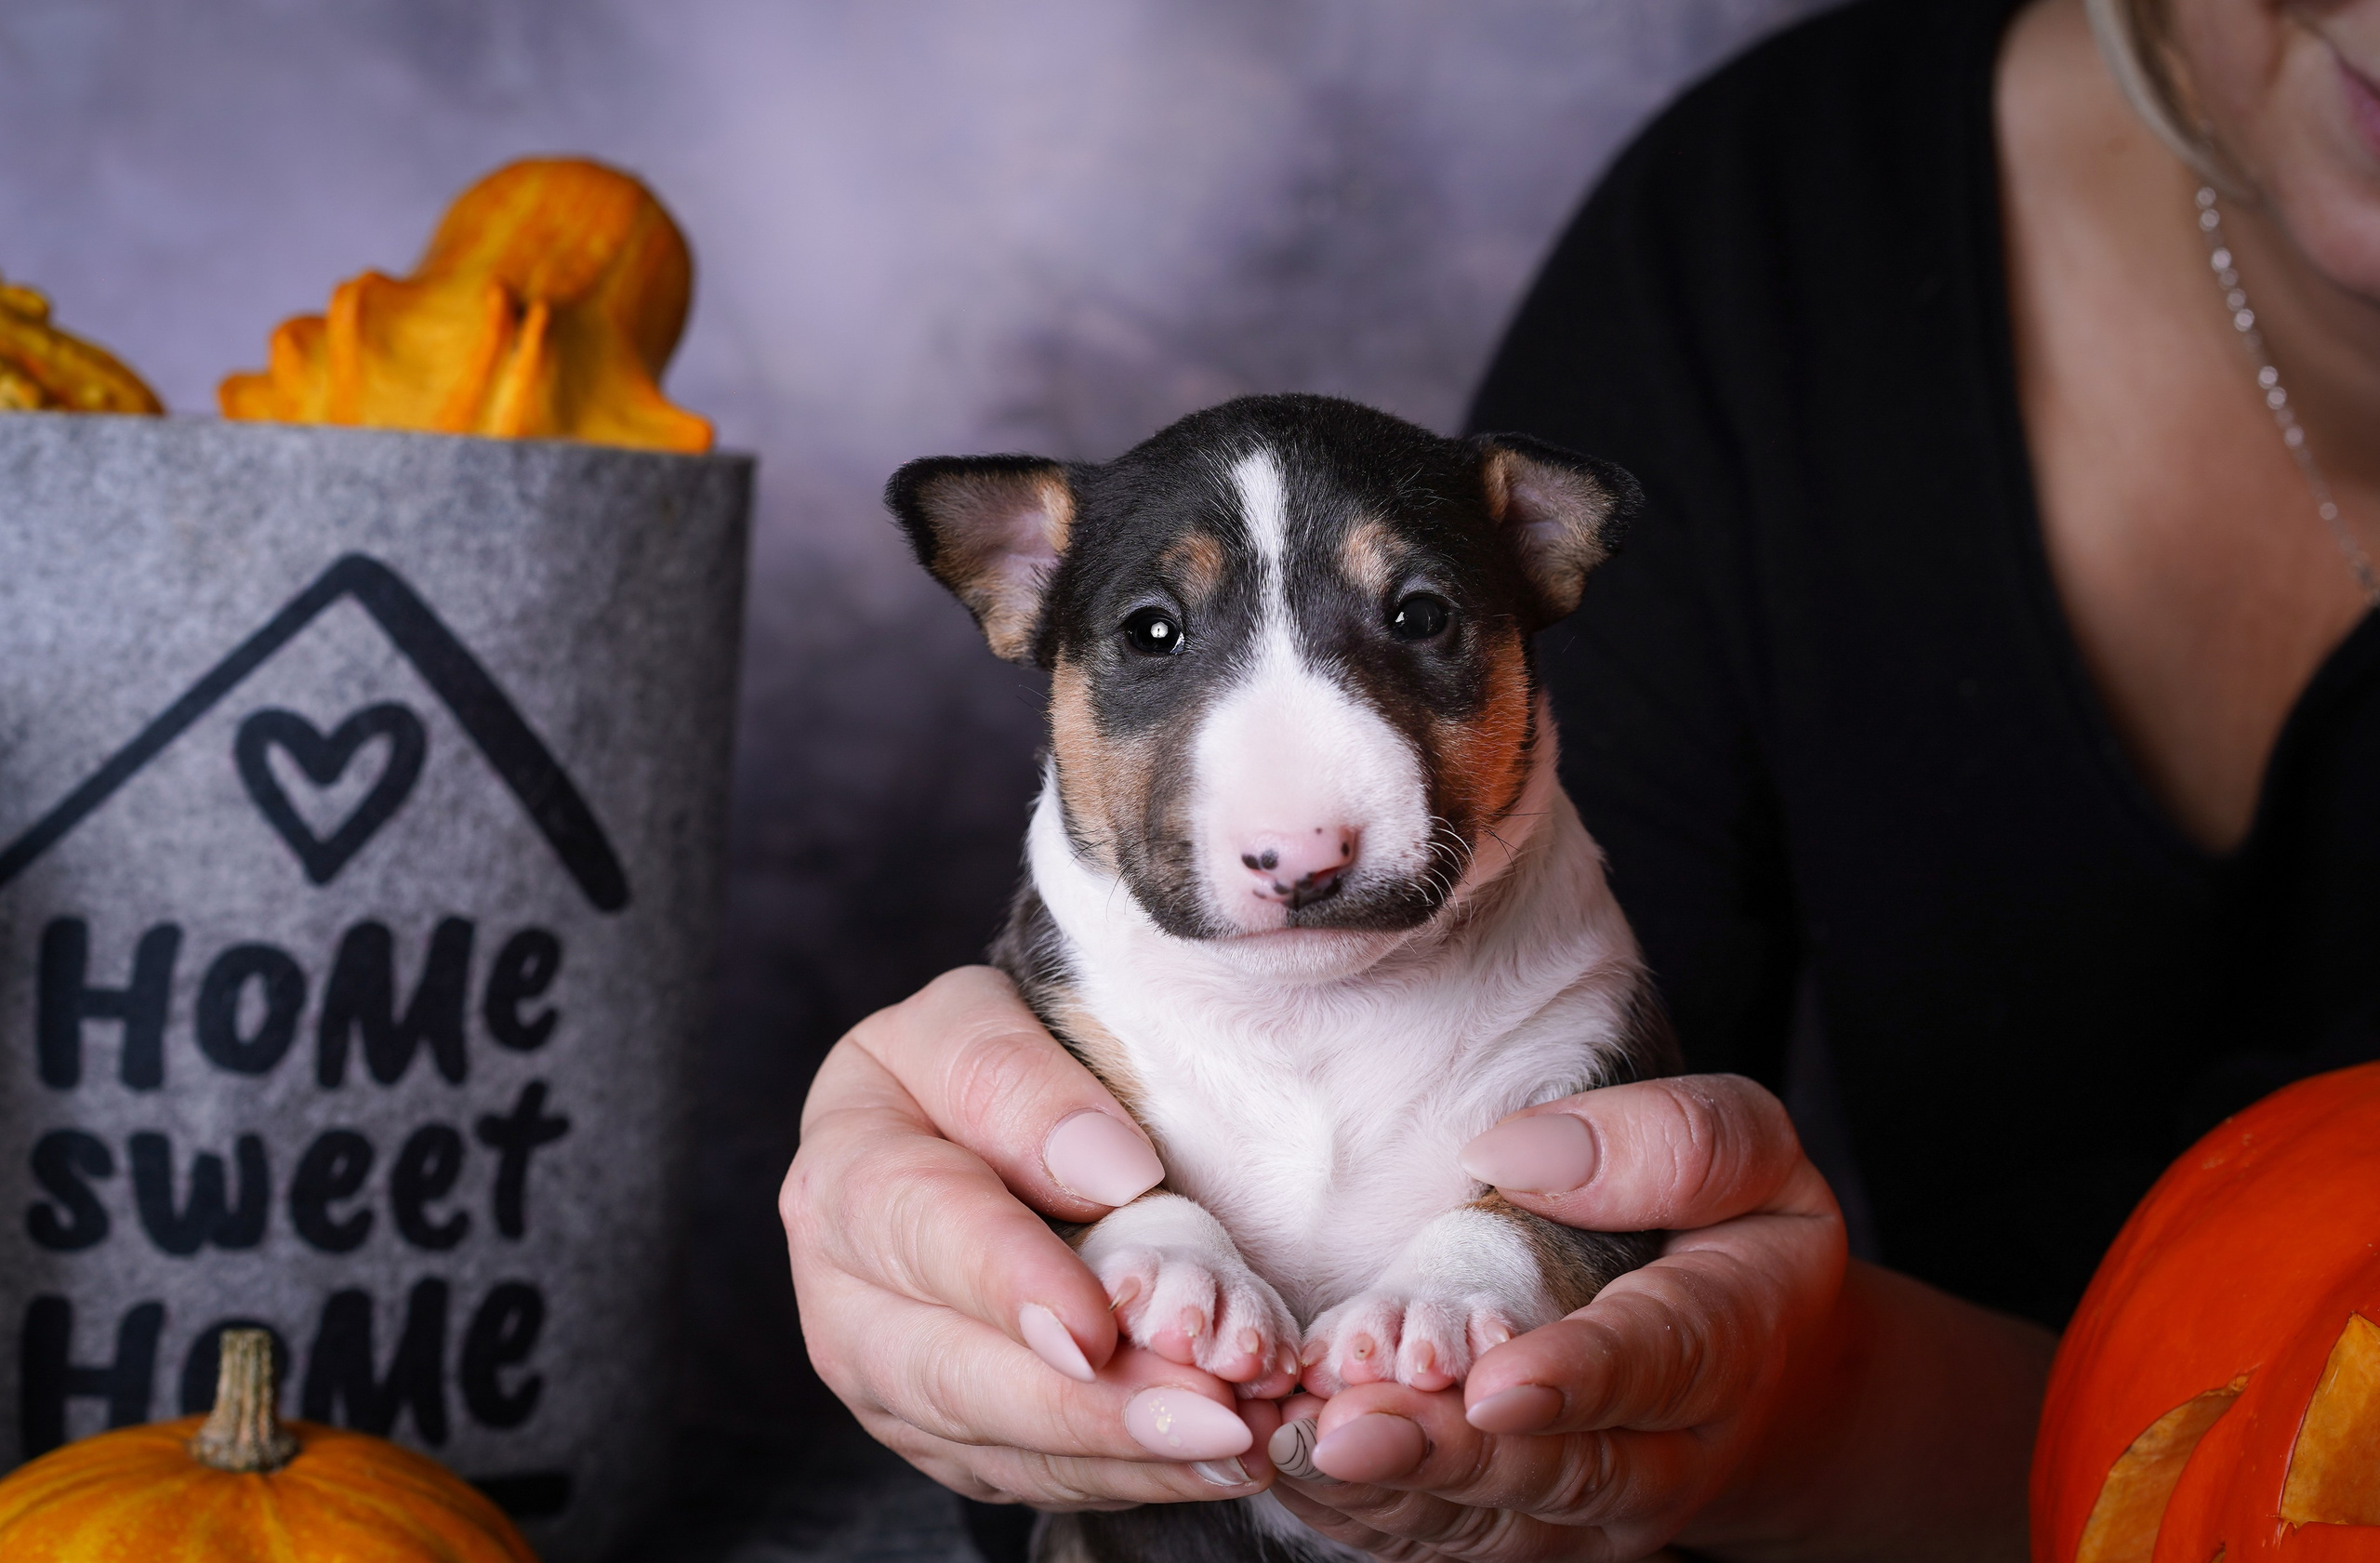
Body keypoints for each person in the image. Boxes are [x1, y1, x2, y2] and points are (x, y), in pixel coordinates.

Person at [782, 0, 2380, 1553]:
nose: (1299, 822)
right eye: (1149, 632)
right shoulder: (1760, 243)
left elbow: (1619, 1197)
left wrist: (1605, 1320)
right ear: (1020, 597)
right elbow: (1682, 1254)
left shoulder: (1551, 905)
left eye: (1412, 619)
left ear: (1539, 555)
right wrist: (1029, 1316)